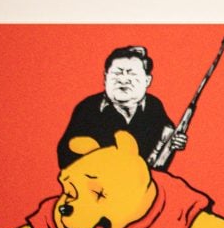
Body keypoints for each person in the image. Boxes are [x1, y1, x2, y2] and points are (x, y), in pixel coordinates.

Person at [56, 45, 186, 169]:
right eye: (117, 73)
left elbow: (167, 137)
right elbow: (65, 156)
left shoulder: (154, 106)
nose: (123, 80)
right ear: (105, 77)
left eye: (131, 74)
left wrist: (176, 141)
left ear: (147, 81)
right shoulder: (88, 108)